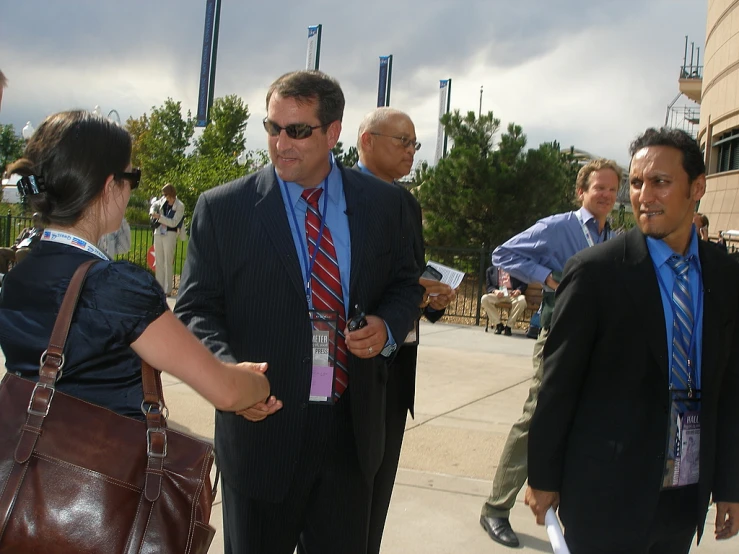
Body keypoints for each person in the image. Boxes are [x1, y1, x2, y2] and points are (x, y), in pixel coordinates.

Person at [174, 71, 422, 554]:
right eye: (272, 128)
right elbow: (197, 308)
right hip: (262, 427)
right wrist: (228, 374)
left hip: (352, 433)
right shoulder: (224, 208)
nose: (280, 143)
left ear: (333, 133)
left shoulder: (385, 205)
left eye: (297, 131)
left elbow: (405, 283)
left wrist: (388, 325)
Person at [526, 128, 739, 552]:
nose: (644, 195)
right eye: (637, 183)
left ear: (697, 187)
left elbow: (730, 386)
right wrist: (543, 476)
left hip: (683, 493)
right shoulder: (596, 272)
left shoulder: (725, 275)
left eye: (660, 181)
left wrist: (729, 484)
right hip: (607, 493)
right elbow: (558, 384)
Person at [0, 110, 270, 426]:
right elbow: (226, 391)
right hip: (102, 466)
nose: (132, 191)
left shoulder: (18, 275)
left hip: (32, 461)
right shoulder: (115, 288)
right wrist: (261, 384)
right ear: (109, 186)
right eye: (132, 178)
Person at [479, 158, 620, 547]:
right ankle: (495, 507)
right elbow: (503, 254)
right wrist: (549, 278)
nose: (607, 195)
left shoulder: (613, 236)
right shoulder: (559, 227)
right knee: (537, 415)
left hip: (600, 341)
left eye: (612, 189)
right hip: (560, 335)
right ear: (582, 191)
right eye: (599, 188)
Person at [355, 106, 455, 553]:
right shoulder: (340, 198)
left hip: (399, 370)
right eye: (403, 141)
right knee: (347, 496)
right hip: (354, 367)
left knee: (378, 493)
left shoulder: (407, 204)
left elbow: (407, 278)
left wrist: (432, 300)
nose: (411, 151)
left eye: (415, 143)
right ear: (366, 141)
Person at [150, 183, 184, 296]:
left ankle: (168, 289)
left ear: (172, 193)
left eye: (167, 195)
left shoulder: (180, 205)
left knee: (168, 262)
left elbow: (173, 223)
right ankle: (159, 288)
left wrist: (160, 217)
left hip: (170, 233)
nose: (165, 197)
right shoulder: (162, 201)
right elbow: (153, 205)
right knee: (159, 261)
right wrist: (152, 211)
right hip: (159, 232)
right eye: (164, 195)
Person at [481, 264, 528, 336]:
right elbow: (489, 286)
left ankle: (509, 326)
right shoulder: (490, 270)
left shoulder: (517, 269)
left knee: (522, 300)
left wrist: (518, 291)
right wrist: (495, 291)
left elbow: (524, 283)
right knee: (484, 299)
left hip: (512, 293)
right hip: (499, 294)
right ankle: (498, 325)